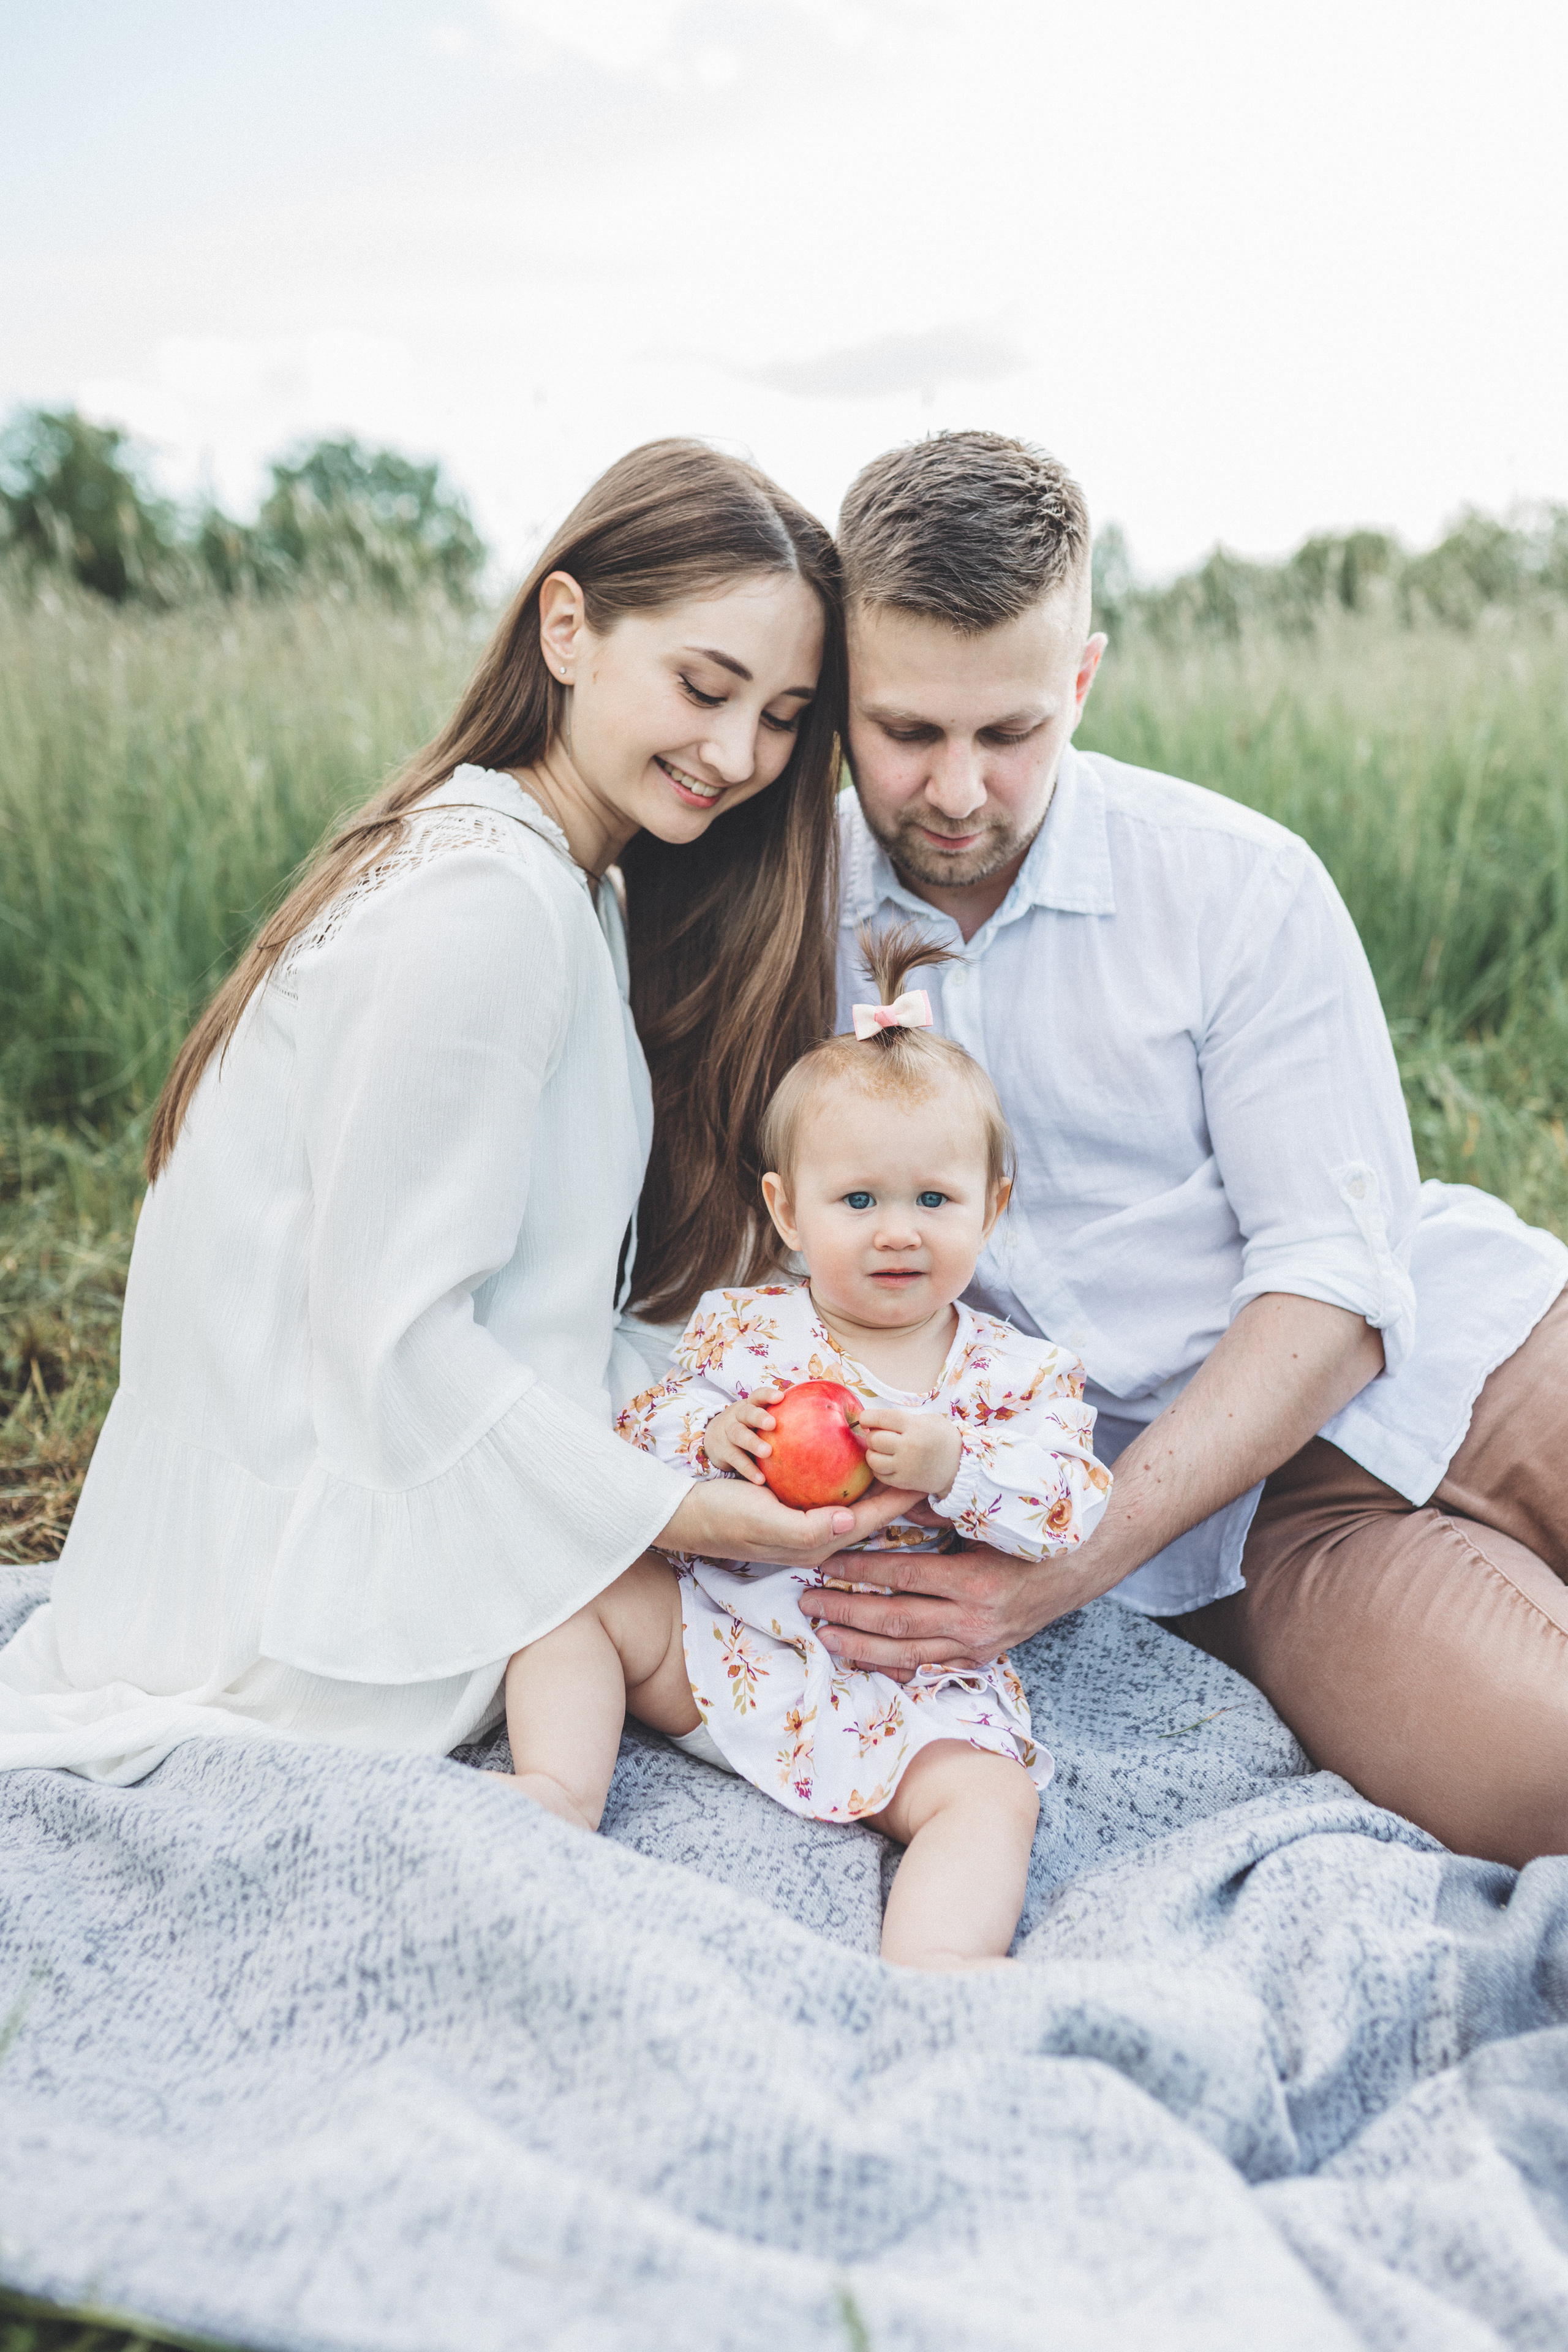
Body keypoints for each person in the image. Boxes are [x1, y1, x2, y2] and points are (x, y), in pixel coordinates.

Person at [0, 439, 914, 1787]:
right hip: (287, 1613)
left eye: (782, 717)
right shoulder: (481, 902)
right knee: (845, 1697)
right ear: (567, 627)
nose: (738, 755)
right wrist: (676, 1510)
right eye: (702, 687)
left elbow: (533, 1305)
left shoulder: (567, 881)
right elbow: (397, 1345)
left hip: (349, 1526)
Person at [797, 429, 1568, 1871]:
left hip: (1476, 1344)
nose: (956, 789)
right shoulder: (778, 933)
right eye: (906, 733)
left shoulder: (1234, 882)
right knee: (1544, 1781)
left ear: (1081, 680)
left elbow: (1334, 1287)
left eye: (1010, 733)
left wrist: (1054, 1573)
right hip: (1244, 1520)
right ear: (841, 689)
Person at [503, 926, 1110, 1969]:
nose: (897, 1231)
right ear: (787, 1212)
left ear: (993, 1209)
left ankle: (934, 1970)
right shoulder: (749, 1331)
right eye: (858, 1200)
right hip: (726, 1637)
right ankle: (556, 1789)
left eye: (935, 1200)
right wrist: (712, 1434)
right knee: (575, 1591)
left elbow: (1069, 1503)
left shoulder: (1016, 1376)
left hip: (897, 1688)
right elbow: (644, 1429)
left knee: (991, 1797)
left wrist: (955, 1467)